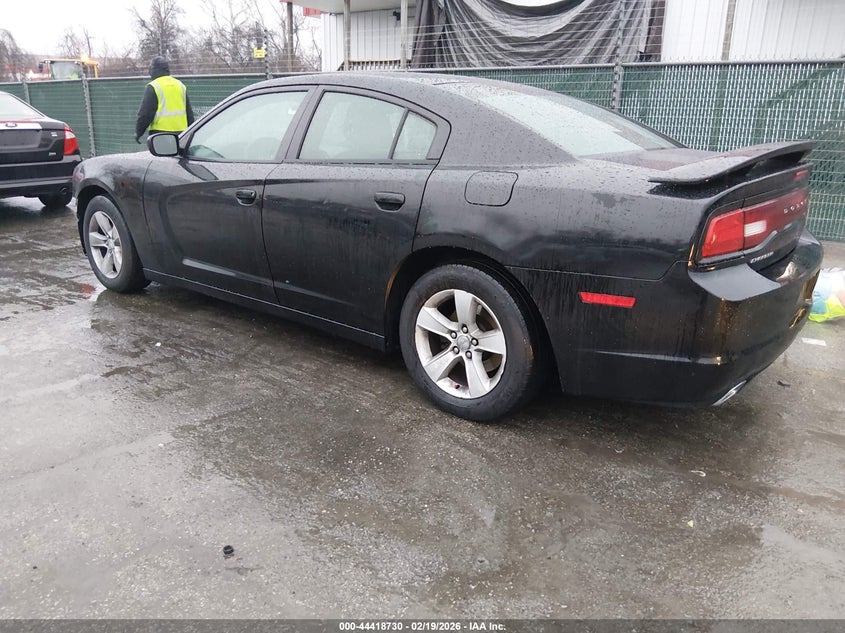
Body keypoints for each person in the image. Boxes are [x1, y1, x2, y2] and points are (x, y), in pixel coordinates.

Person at [135, 56, 195, 143]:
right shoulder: (180, 85)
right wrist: (191, 131)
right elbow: (189, 112)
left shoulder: (153, 86)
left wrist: (138, 132)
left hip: (160, 134)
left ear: (153, 70)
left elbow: (145, 114)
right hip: (182, 134)